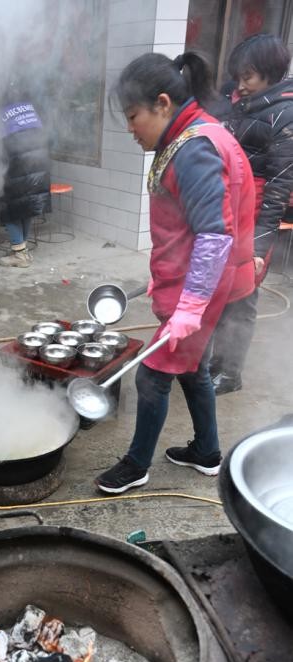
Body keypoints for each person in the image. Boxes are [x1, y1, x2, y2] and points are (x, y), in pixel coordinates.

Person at [96, 52, 255, 495]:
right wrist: (163, 274)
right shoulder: (192, 132)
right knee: (193, 368)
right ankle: (206, 452)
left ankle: (136, 465)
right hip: (193, 282)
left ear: (162, 103)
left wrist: (189, 305)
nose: (130, 130)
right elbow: (187, 225)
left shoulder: (194, 147)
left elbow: (213, 236)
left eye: (133, 117)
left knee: (152, 374)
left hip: (201, 289)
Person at [210, 34, 293, 395]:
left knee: (242, 298)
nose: (240, 84)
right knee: (216, 289)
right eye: (238, 75)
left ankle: (231, 374)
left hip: (254, 215)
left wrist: (258, 248)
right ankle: (214, 362)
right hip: (222, 209)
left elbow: (278, 187)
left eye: (249, 77)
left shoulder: (285, 114)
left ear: (271, 74)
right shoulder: (235, 99)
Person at [0, 83, 50, 268]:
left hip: (18, 168)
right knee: (26, 207)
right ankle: (22, 250)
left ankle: (19, 255)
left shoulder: (2, 114)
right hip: (39, 165)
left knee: (9, 209)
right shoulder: (30, 110)